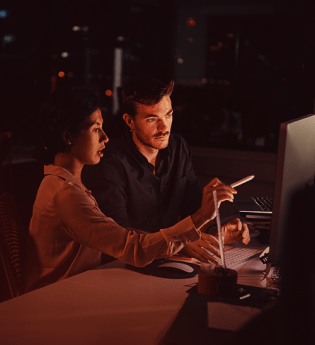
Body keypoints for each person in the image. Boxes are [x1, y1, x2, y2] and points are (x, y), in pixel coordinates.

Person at [25, 86, 245, 292]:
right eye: (96, 129)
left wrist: (210, 233)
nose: (105, 137)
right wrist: (200, 218)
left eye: (168, 115)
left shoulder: (69, 184)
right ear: (67, 137)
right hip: (58, 298)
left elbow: (125, 238)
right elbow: (133, 248)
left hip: (80, 288)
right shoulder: (66, 194)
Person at [82, 76, 250, 263]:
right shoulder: (109, 162)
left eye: (168, 115)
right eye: (152, 119)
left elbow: (192, 206)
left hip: (172, 260)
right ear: (130, 122)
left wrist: (215, 230)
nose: (164, 128)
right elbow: (120, 234)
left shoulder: (178, 147)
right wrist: (177, 243)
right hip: (125, 266)